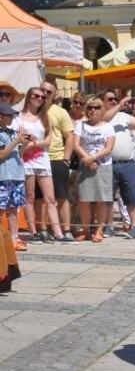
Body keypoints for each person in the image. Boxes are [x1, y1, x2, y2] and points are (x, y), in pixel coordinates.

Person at [14, 87, 69, 243]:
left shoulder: (44, 117)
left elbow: (48, 140)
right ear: (29, 97)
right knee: (30, 197)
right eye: (36, 96)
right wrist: (29, 144)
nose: (39, 99)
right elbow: (19, 139)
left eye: (42, 97)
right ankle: (34, 231)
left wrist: (34, 143)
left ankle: (58, 233)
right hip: (26, 160)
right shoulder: (18, 117)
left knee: (50, 197)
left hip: (43, 159)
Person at [101, 90, 135, 239]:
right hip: (107, 163)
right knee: (107, 197)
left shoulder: (123, 116)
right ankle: (109, 226)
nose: (113, 101)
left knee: (132, 196)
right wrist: (120, 105)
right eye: (110, 99)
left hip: (127, 163)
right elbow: (105, 119)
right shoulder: (100, 116)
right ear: (103, 101)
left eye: (115, 99)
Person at [73, 96, 115, 242]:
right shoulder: (80, 125)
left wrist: (93, 158)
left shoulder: (108, 126)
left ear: (101, 109)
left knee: (101, 199)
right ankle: (85, 229)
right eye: (90, 107)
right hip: (85, 165)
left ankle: (98, 229)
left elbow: (109, 147)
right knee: (84, 199)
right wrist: (87, 159)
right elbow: (76, 145)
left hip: (103, 166)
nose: (93, 110)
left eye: (96, 107)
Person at [39, 81, 77, 242]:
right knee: (38, 198)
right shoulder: (32, 111)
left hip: (56, 158)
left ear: (54, 95)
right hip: (37, 159)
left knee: (61, 196)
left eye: (49, 92)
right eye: (42, 90)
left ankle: (66, 229)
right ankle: (42, 229)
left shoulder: (60, 112)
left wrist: (66, 159)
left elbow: (69, 137)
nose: (45, 94)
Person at [0, 98, 28, 252]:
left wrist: (23, 143)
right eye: (8, 115)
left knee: (14, 208)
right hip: (3, 176)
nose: (11, 118)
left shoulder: (11, 133)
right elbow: (2, 154)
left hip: (17, 175)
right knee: (1, 208)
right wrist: (16, 140)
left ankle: (13, 238)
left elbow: (19, 154)